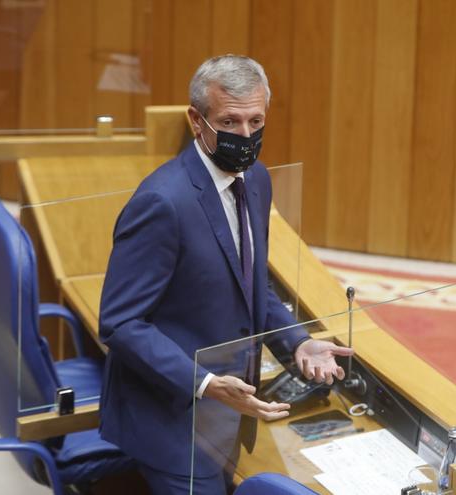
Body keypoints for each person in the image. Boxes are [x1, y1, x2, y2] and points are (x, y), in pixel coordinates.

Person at [98, 54, 352, 495]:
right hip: (174, 422)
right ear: (197, 121)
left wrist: (297, 340)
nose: (246, 136)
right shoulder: (162, 203)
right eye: (230, 122)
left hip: (232, 409)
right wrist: (206, 383)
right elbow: (119, 324)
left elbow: (251, 283)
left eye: (256, 121)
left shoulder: (255, 181)